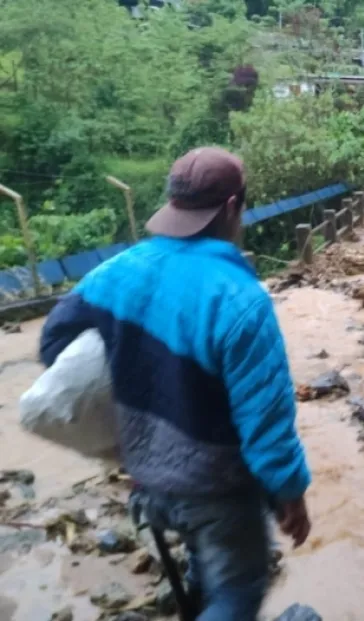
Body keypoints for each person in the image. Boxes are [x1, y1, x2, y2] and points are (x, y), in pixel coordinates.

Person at [39, 147, 312, 620]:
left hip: (147, 482)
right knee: (239, 590)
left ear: (173, 205)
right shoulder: (241, 299)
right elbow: (266, 421)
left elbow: (55, 341)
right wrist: (291, 493)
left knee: (205, 565)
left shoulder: (116, 272)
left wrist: (122, 410)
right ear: (232, 208)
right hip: (217, 493)